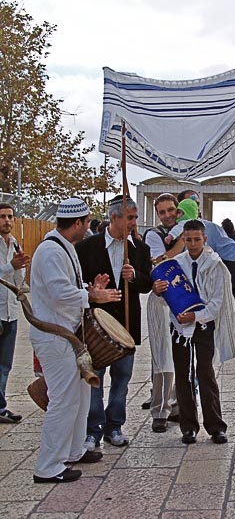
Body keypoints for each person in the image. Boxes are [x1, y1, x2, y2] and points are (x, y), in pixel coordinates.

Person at [30, 197, 122, 483]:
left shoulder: (63, 246)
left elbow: (68, 286)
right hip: (54, 335)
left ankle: (72, 450)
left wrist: (89, 288)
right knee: (63, 399)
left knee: (81, 394)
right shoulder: (50, 251)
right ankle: (48, 466)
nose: (87, 228)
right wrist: (91, 296)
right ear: (79, 222)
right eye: (86, 223)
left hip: (68, 335)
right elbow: (58, 292)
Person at [76, 195, 152, 450]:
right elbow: (77, 285)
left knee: (122, 378)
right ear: (114, 218)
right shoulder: (88, 248)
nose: (134, 222)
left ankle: (115, 425)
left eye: (135, 217)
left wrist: (136, 276)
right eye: (130, 218)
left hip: (127, 326)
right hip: (96, 328)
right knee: (95, 378)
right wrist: (92, 289)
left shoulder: (140, 249)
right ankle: (92, 429)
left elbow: (148, 284)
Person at [153, 220, 234, 445]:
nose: (192, 244)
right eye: (188, 240)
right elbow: (168, 295)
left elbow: (217, 301)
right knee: (183, 375)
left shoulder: (215, 264)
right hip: (180, 327)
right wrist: (158, 291)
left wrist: (197, 316)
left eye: (197, 239)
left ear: (204, 239)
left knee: (205, 372)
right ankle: (188, 427)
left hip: (204, 325)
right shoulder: (175, 264)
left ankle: (216, 426)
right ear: (183, 240)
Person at [144, 193, 185, 433]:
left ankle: (179, 405)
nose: (168, 215)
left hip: (184, 298)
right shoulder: (154, 235)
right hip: (161, 299)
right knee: (162, 356)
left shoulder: (187, 229)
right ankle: (160, 410)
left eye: (171, 210)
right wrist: (181, 244)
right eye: (162, 212)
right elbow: (162, 262)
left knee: (183, 354)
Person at [0, 202, 31, 423]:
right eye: (2, 217)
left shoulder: (14, 243)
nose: (7, 221)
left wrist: (21, 266)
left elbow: (17, 281)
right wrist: (11, 265)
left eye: (10, 216)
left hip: (10, 311)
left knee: (5, 364)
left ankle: (0, 406)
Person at [221, 218, 235, 312]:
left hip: (225, 262)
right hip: (234, 263)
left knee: (228, 283)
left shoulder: (222, 238)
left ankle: (231, 301)